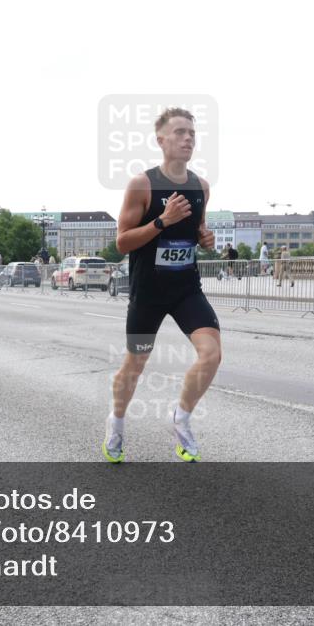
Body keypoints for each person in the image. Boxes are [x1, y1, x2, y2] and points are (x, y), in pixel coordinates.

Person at [104, 107, 220, 464]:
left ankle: (180, 418)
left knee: (212, 354)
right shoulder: (142, 185)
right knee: (134, 366)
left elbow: (197, 230)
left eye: (192, 133)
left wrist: (205, 239)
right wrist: (161, 221)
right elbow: (122, 242)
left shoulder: (201, 187)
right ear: (161, 140)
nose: (188, 139)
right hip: (149, 294)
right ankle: (116, 423)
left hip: (186, 289)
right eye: (180, 132)